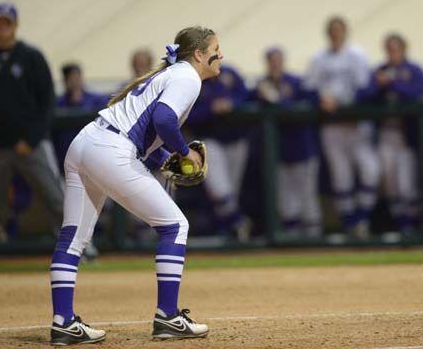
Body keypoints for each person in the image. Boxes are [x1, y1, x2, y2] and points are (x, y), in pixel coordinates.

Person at [47, 26, 220, 344]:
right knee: (175, 226)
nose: (219, 55)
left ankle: (63, 322)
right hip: (110, 150)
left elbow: (147, 133)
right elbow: (164, 121)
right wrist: (185, 153)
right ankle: (168, 317)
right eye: (215, 49)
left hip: (86, 142)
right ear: (198, 54)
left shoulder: (172, 74)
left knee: (72, 239)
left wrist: (164, 161)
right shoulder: (187, 77)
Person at [0, 2, 63, 264]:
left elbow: (47, 102)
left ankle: (78, 251)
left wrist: (32, 138)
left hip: (31, 146)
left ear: (15, 24)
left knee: (55, 198)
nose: (3, 27)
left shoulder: (31, 57)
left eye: (7, 22)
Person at [304, 16, 380, 238]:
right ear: (328, 34)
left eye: (339, 30)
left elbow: (368, 88)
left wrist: (345, 102)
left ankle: (362, 219)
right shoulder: (319, 58)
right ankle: (350, 224)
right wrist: (321, 98)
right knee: (341, 177)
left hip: (356, 122)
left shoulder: (357, 55)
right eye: (332, 31)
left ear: (346, 32)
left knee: (370, 171)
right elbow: (308, 87)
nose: (336, 34)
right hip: (332, 125)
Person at [359, 33, 423, 234]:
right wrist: (379, 86)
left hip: (406, 136)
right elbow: (363, 96)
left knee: (407, 186)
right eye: (388, 48)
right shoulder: (380, 70)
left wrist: (392, 83)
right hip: (386, 133)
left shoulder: (413, 70)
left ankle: (413, 229)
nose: (392, 52)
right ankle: (402, 227)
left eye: (395, 48)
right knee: (391, 186)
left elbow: (417, 94)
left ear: (404, 49)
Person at [254, 47, 322, 237]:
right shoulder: (261, 85)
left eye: (278, 60)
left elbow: (311, 103)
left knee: (307, 198)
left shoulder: (297, 82)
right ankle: (292, 245)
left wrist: (276, 100)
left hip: (303, 150)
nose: (275, 64)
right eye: (271, 61)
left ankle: (315, 243)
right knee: (286, 202)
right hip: (278, 153)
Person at [186, 63, 251, 240]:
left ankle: (230, 231)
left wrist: (232, 103)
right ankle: (237, 223)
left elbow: (246, 96)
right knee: (220, 190)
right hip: (209, 140)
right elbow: (186, 115)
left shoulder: (231, 73)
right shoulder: (193, 79)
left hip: (236, 139)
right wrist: (211, 109)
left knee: (231, 192)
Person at [53, 63, 109, 169]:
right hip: (65, 160)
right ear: (65, 81)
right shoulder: (58, 103)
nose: (74, 81)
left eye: (76, 77)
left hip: (92, 158)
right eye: (70, 78)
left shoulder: (96, 100)